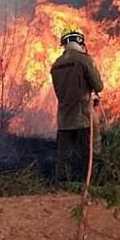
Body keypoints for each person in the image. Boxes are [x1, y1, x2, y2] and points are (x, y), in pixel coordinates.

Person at [50, 30, 104, 183]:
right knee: (91, 152)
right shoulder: (84, 60)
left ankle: (62, 188)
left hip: (64, 118)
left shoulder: (56, 65)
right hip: (83, 116)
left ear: (64, 44)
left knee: (63, 157)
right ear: (80, 42)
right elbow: (98, 86)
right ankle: (92, 184)